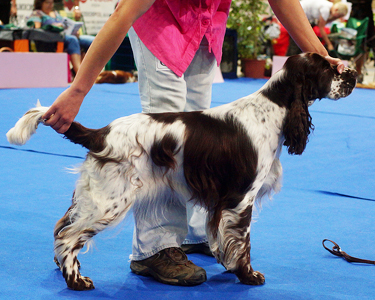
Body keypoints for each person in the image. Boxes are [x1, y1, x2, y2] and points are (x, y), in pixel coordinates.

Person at [42, 0, 345, 286]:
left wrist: (322, 58)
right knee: (159, 143)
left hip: (205, 30)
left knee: (201, 145)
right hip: (160, 27)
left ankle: (200, 232)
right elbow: (123, 13)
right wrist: (78, 91)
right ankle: (156, 248)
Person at [27, 0, 94, 74]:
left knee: (92, 41)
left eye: (51, 3)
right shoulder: (37, 13)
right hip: (52, 39)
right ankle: (79, 73)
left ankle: (85, 71)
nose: (50, 5)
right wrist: (53, 26)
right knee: (72, 40)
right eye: (47, 2)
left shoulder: (56, 13)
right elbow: (37, 30)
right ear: (40, 3)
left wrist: (74, 31)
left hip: (67, 35)